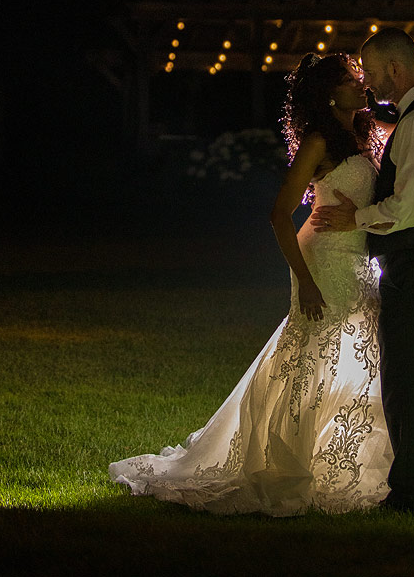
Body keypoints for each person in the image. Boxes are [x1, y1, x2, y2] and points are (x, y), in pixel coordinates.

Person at [108, 52, 393, 515]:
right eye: (349, 80)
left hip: (358, 262)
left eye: (360, 78)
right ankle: (286, 465)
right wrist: (305, 281)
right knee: (311, 360)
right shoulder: (319, 142)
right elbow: (280, 214)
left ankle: (342, 461)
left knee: (353, 361)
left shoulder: (361, 136)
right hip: (322, 264)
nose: (360, 84)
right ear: (327, 93)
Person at [311, 27, 414, 513]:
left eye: (372, 74)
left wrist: (356, 218)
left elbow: (409, 209)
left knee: (405, 382)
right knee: (408, 377)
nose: (370, 84)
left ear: (395, 69)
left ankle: (411, 491)